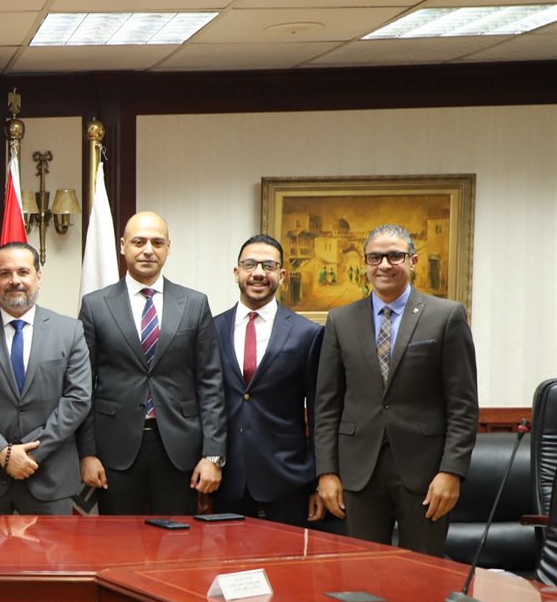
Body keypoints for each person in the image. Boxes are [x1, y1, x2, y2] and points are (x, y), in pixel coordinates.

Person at [313, 224, 478, 556]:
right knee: (363, 573)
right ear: (365, 263)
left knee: (423, 573)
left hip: (426, 473)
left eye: (395, 256)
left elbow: (463, 405)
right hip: (358, 471)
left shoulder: (446, 316)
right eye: (375, 257)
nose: (384, 265)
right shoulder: (340, 320)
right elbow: (326, 405)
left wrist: (451, 471)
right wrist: (326, 472)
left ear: (413, 261)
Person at [77, 210, 226, 515]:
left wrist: (213, 456)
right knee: (118, 540)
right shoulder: (95, 305)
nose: (148, 250)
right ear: (123, 246)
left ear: (168, 248)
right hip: (114, 449)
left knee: (177, 539)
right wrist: (87, 453)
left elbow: (211, 383)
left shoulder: (194, 304)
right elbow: (83, 386)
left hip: (179, 449)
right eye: (139, 242)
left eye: (157, 243)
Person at [0, 242, 91, 515]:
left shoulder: (70, 331)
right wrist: (2, 452)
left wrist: (30, 453)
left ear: (38, 277)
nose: (15, 280)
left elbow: (78, 399)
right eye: (5, 273)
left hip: (50, 478)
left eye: (23, 272)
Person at [212, 234, 325, 526]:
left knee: (286, 555)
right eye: (250, 264)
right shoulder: (212, 329)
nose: (259, 273)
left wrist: (317, 481)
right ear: (236, 272)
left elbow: (318, 413)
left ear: (282, 275)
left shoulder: (307, 334)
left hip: (287, 477)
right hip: (225, 477)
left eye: (269, 266)